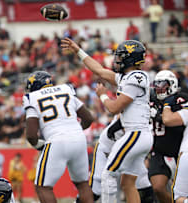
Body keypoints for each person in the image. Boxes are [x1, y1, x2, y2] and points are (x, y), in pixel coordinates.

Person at [61, 38, 152, 203]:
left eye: (121, 57)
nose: (117, 60)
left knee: (108, 174)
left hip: (136, 134)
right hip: (139, 135)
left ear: (131, 59)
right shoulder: (129, 77)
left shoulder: (136, 77)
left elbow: (114, 108)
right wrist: (78, 50)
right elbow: (99, 70)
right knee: (128, 183)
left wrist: (102, 95)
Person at [23, 71, 95, 203]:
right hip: (79, 139)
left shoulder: (32, 97)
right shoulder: (66, 90)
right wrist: (75, 130)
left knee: (43, 187)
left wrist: (40, 145)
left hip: (57, 140)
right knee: (83, 184)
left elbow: (31, 135)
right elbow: (89, 118)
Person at [149, 70, 188, 203]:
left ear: (172, 85)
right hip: (159, 152)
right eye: (157, 85)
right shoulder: (152, 100)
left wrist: (159, 117)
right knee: (157, 188)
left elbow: (181, 125)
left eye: (163, 85)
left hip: (179, 151)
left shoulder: (181, 99)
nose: (159, 88)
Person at [81, 115, 154, 203]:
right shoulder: (132, 106)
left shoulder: (148, 109)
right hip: (108, 149)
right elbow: (116, 111)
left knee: (142, 187)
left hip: (131, 149)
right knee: (96, 189)